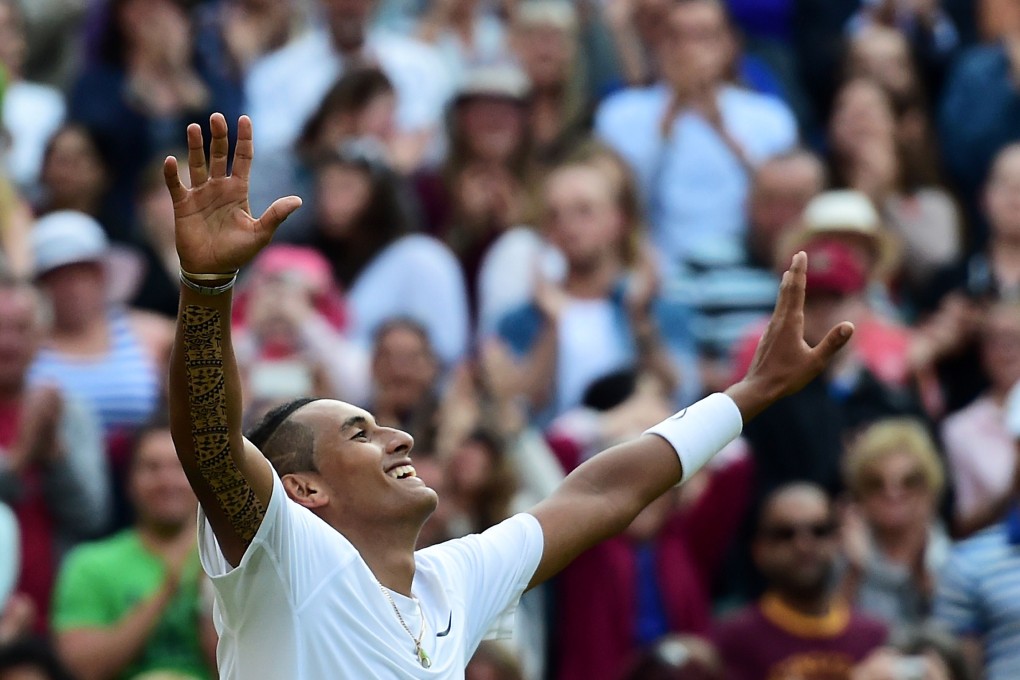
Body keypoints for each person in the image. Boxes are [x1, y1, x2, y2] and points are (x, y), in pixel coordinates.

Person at [161, 112, 853, 679]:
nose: (397, 436)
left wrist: (748, 394)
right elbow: (214, 448)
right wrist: (210, 287)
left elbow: (600, 494)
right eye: (358, 433)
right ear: (303, 490)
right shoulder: (286, 555)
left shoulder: (449, 581)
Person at [595, 0, 798, 275]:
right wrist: (665, 127)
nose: (688, 50)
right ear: (659, 43)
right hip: (654, 277)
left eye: (703, 37)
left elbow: (784, 206)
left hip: (747, 274)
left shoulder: (770, 117)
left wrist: (723, 131)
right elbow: (614, 206)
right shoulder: (620, 113)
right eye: (676, 37)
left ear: (729, 44)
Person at [51, 413, 215, 680]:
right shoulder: (89, 564)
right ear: (129, 482)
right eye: (151, 468)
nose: (166, 481)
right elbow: (81, 669)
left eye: (180, 468)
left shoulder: (230, 562)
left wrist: (210, 599)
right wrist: (165, 591)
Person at [0, 273, 109, 628]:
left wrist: (55, 455)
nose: (8, 342)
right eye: (0, 328)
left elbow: (92, 516)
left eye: (21, 329)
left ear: (41, 337)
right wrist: (20, 456)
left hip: (57, 614)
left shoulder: (68, 411)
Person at [713, 483, 888, 680]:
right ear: (759, 550)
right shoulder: (732, 641)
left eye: (819, 530)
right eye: (786, 534)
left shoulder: (874, 639)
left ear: (838, 540)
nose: (804, 545)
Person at [838, 419, 951, 627]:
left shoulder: (952, 562)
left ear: (930, 488)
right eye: (875, 483)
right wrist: (854, 572)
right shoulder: (838, 557)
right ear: (859, 493)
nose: (893, 493)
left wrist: (926, 582)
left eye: (910, 481)